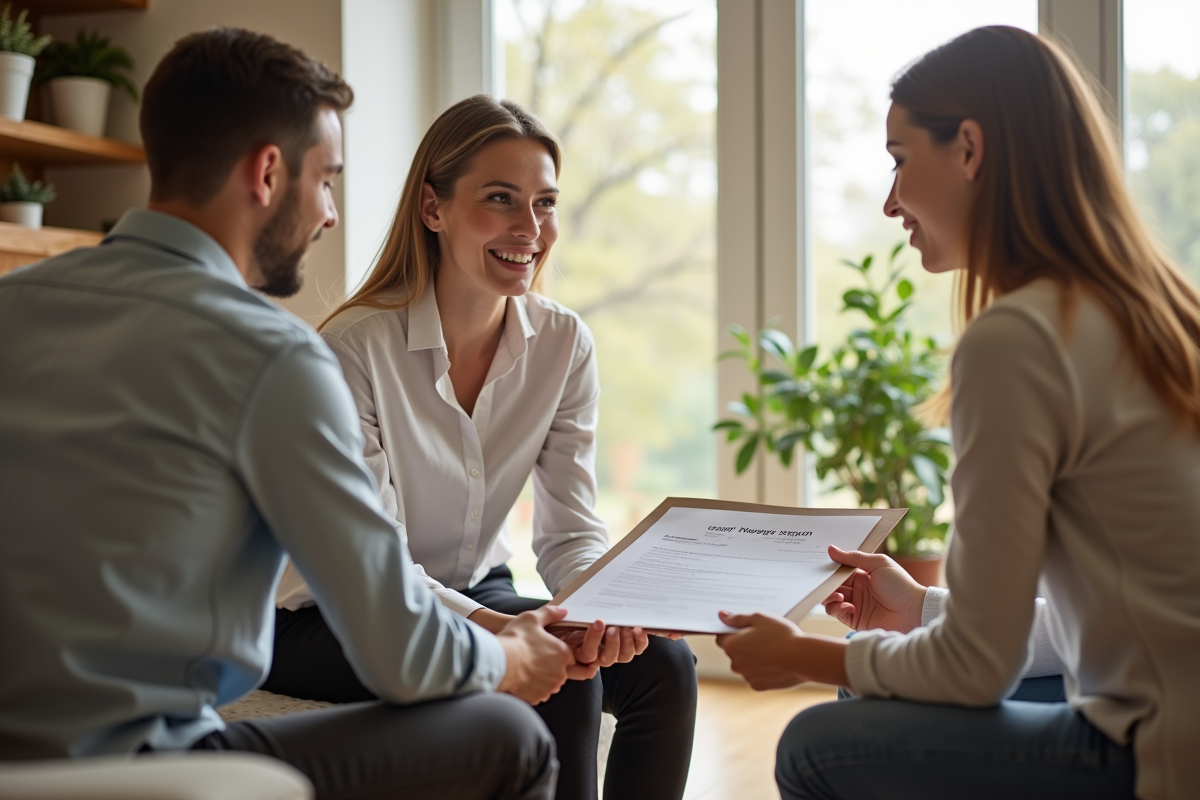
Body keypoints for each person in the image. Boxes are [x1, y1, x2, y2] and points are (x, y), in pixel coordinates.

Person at [0, 28, 593, 800]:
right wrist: (511, 659)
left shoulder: (14, 305)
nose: (331, 215)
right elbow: (401, 654)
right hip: (149, 763)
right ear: (268, 172)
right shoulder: (272, 356)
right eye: (327, 181)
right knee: (508, 733)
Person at [715, 25, 1200, 800]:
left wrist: (801, 656)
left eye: (901, 162)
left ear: (969, 149)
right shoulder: (1160, 314)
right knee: (874, 689)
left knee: (817, 742)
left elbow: (975, 671)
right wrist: (922, 606)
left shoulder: (1018, 338)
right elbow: (1126, 619)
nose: (890, 200)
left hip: (1157, 756)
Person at [264, 94, 698, 800]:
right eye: (501, 199)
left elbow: (571, 530)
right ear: (433, 208)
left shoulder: (562, 343)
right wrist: (505, 633)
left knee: (664, 669)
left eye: (546, 203)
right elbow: (377, 568)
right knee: (555, 675)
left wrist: (600, 608)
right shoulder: (352, 350)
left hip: (471, 586)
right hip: (328, 617)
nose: (531, 228)